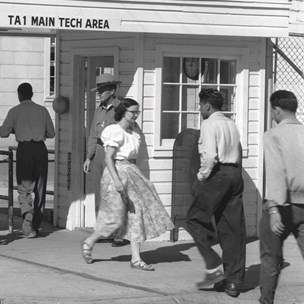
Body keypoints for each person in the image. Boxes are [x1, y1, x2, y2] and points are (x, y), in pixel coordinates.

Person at [80, 98, 173, 270]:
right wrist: (116, 180)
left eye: (138, 112)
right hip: (116, 172)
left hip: (130, 171)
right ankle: (89, 241)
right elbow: (108, 158)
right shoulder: (114, 131)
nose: (136, 115)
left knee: (136, 214)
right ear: (124, 111)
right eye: (133, 112)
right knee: (114, 216)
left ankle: (136, 259)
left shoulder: (133, 133)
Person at [185, 88, 245, 298]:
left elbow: (210, 156)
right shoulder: (231, 124)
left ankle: (214, 265)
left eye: (200, 105)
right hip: (235, 174)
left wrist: (202, 176)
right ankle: (232, 282)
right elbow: (238, 150)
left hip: (217, 174)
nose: (199, 109)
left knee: (193, 219)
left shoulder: (209, 124)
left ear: (207, 106)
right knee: (232, 228)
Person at [259, 90, 304, 304]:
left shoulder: (273, 134)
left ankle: (267, 300)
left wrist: (273, 208)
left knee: (271, 257)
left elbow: (276, 172)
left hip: (282, 205)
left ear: (276, 110)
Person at [0, 83, 55, 238]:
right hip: (40, 149)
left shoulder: (14, 111)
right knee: (40, 188)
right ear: (32, 94)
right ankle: (35, 225)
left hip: (24, 150)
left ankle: (26, 213)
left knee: (24, 186)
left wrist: (14, 129)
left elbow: (3, 133)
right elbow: (51, 133)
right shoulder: (42, 110)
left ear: (19, 94)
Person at [82, 73, 129, 247]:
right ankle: (102, 230)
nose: (99, 93)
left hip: (115, 153)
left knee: (116, 192)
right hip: (101, 151)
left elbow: (128, 131)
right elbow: (93, 134)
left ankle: (119, 233)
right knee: (100, 191)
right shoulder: (99, 109)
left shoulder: (120, 108)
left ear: (111, 90)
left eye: (102, 90)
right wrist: (89, 156)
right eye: (98, 90)